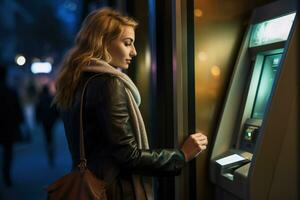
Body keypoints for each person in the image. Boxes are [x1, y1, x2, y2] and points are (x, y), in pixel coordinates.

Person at [53, 7, 208, 200]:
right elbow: (128, 155)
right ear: (103, 43)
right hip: (113, 191)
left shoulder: (76, 81)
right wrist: (181, 155)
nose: (134, 52)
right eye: (127, 43)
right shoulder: (109, 83)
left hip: (90, 183)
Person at [0, 65, 24, 187]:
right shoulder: (11, 92)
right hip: (8, 127)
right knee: (8, 152)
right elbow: (18, 111)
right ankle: (6, 175)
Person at [36, 85, 59, 167]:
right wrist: (57, 118)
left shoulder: (40, 99)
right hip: (51, 121)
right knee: (51, 135)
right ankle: (51, 150)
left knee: (47, 136)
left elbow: (38, 111)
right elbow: (55, 109)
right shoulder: (51, 98)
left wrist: (38, 120)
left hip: (44, 121)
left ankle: (49, 149)